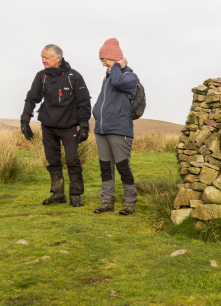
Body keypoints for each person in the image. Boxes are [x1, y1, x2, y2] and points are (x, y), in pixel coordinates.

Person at [21, 44, 92, 207]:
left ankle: (75, 195)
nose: (42, 60)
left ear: (57, 58)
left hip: (68, 127)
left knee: (72, 160)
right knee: (52, 160)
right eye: (42, 57)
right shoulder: (41, 76)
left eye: (45, 57)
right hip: (48, 126)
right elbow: (32, 98)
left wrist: (84, 125)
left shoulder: (74, 76)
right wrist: (24, 120)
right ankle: (58, 193)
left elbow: (84, 102)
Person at [92, 38, 139, 215]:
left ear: (117, 58)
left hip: (120, 130)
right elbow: (102, 101)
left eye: (106, 59)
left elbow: (118, 82)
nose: (103, 63)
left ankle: (129, 203)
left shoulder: (129, 77)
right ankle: (107, 201)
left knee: (123, 167)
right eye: (101, 60)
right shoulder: (108, 78)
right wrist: (95, 111)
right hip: (101, 130)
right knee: (105, 168)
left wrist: (118, 66)